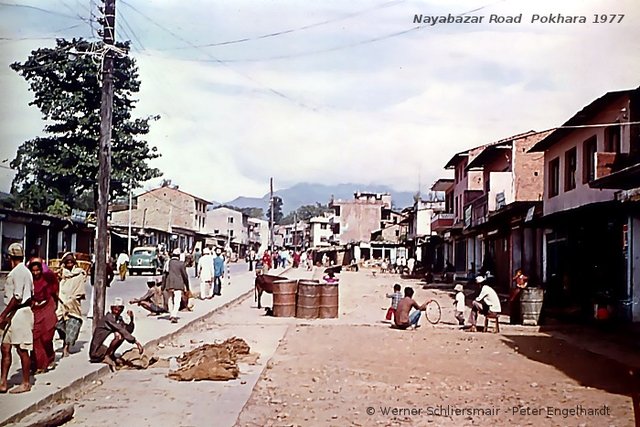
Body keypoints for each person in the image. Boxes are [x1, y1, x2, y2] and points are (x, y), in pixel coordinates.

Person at [0, 243, 34, 393]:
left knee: (22, 349)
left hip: (20, 313)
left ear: (10, 257)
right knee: (5, 347)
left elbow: (17, 297)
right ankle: (3, 382)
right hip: (13, 314)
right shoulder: (18, 271)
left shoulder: (20, 272)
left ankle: (25, 383)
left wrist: (3, 315)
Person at [89, 297, 144, 371]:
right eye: (116, 308)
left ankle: (110, 354)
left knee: (122, 334)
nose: (118, 310)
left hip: (104, 347)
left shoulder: (118, 319)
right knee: (119, 334)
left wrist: (131, 319)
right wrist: (136, 342)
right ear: (112, 308)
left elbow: (127, 330)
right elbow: (120, 329)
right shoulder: (109, 318)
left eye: (120, 309)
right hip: (96, 351)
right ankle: (107, 356)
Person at [29, 258, 59, 373]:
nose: (35, 273)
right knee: (36, 338)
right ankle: (39, 364)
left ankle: (50, 356)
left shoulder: (48, 278)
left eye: (38, 270)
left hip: (47, 307)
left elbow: (55, 291)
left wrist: (55, 306)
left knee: (47, 336)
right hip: (35, 310)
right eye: (33, 271)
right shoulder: (29, 280)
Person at [56, 252, 86, 357]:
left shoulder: (79, 274)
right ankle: (64, 340)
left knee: (72, 326)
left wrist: (72, 298)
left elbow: (80, 291)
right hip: (61, 303)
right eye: (67, 261)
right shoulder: (60, 274)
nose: (69, 263)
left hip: (73, 305)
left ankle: (66, 347)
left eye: (71, 261)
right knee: (59, 325)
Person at [164, 248, 189, 323]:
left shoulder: (168, 262)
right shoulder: (181, 264)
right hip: (178, 284)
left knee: (170, 299)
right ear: (178, 256)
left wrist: (163, 285)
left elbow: (164, 274)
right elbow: (185, 276)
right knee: (177, 300)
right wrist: (187, 286)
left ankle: (171, 313)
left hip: (169, 283)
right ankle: (174, 315)